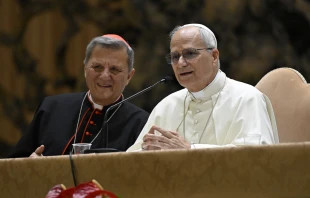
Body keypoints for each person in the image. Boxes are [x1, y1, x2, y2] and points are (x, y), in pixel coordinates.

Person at [127, 23, 279, 151]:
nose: (181, 63)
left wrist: (191, 151)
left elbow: (256, 157)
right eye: (175, 57)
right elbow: (134, 159)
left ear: (214, 56)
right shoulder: (166, 106)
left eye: (190, 53)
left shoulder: (247, 98)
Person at [9, 34, 149, 157]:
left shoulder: (142, 123)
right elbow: (14, 164)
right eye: (97, 67)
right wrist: (32, 163)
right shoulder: (51, 107)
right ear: (85, 70)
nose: (105, 76)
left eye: (114, 69)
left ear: (129, 76)